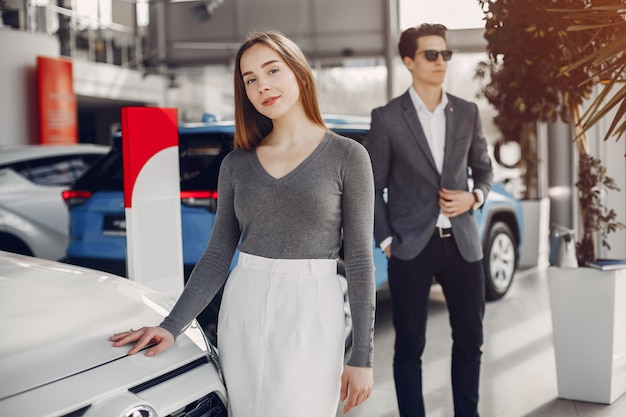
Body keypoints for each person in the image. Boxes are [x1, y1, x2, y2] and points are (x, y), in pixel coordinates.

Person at [109, 30, 375, 417]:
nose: (262, 85)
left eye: (271, 71)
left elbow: (361, 260)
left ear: (299, 72)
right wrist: (170, 326)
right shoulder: (236, 164)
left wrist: (362, 356)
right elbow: (218, 255)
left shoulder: (348, 156)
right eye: (250, 79)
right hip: (244, 301)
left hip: (314, 306)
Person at [366, 24, 493, 417]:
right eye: (431, 55)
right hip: (410, 246)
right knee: (409, 346)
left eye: (445, 55)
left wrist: (474, 197)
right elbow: (373, 185)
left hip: (463, 242)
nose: (441, 62)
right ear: (409, 61)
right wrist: (387, 241)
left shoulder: (467, 112)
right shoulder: (387, 118)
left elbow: (484, 171)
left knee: (470, 341)